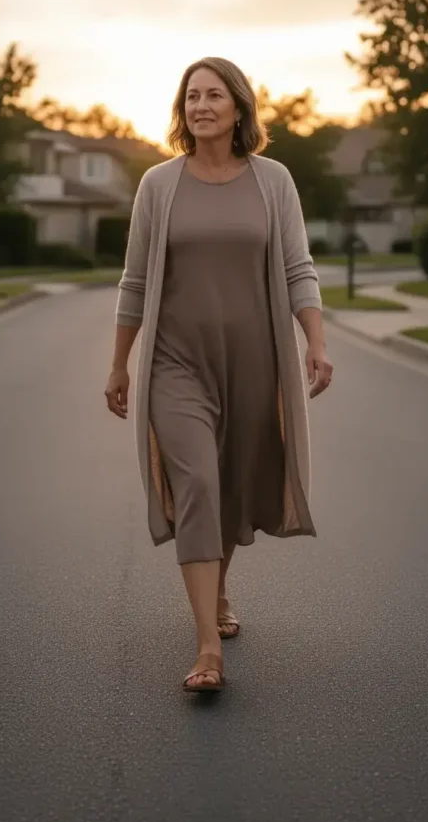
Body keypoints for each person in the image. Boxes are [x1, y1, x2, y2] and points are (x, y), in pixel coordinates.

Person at [105, 57, 332, 693]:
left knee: (231, 483)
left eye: (213, 95)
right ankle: (208, 647)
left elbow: (297, 268)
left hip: (256, 361)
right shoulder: (159, 184)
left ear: (238, 106)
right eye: (191, 96)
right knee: (200, 480)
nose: (200, 105)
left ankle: (220, 590)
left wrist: (315, 342)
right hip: (176, 363)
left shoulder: (273, 181)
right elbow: (136, 281)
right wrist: (119, 363)